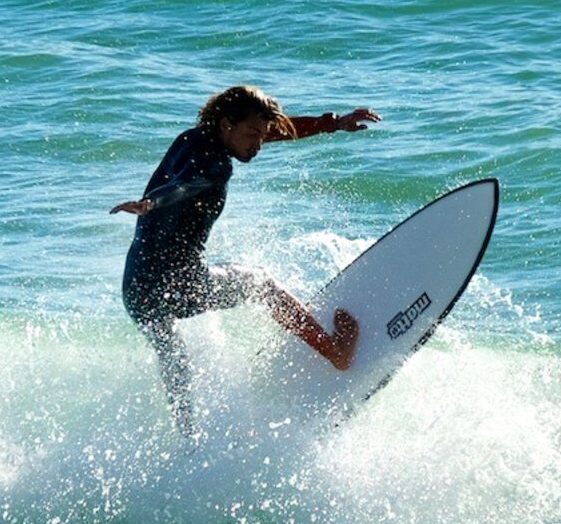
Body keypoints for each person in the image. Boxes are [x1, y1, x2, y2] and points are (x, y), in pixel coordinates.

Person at [113, 84, 379, 433]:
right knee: (259, 282)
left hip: (137, 288)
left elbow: (269, 134)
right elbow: (185, 184)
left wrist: (331, 123)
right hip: (176, 285)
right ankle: (335, 352)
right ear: (226, 124)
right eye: (253, 134)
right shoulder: (215, 165)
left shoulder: (192, 139)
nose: (259, 143)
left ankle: (188, 439)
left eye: (262, 135)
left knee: (175, 363)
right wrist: (153, 203)